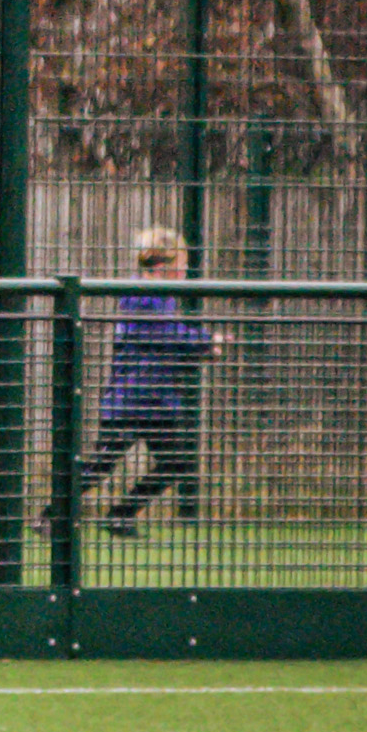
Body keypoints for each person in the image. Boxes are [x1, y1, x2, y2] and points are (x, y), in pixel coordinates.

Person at [78, 225, 226, 537]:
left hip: (156, 400)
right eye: (182, 265)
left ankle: (121, 515)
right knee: (100, 465)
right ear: (163, 266)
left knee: (176, 461)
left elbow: (165, 342)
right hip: (131, 399)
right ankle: (51, 516)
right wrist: (205, 341)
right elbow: (162, 334)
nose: (186, 270)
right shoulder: (142, 297)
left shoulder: (161, 297)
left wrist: (199, 347)